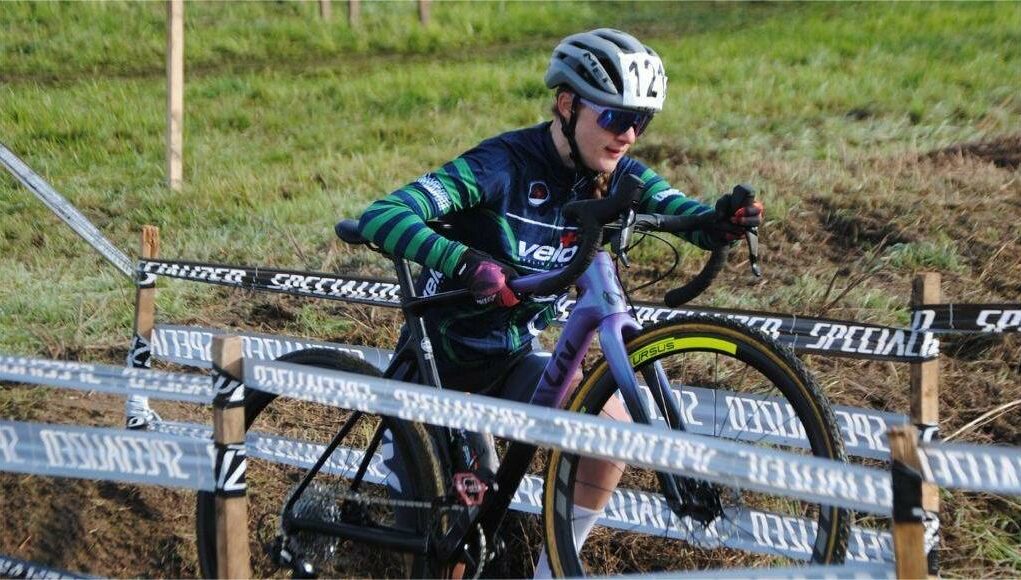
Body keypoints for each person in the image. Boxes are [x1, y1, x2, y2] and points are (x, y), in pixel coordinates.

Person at [357, 28, 763, 577]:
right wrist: (463, 261)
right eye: (616, 119)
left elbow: (675, 209)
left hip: (512, 363)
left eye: (641, 122)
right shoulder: (501, 165)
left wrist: (720, 221)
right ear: (567, 104)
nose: (628, 137)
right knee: (456, 559)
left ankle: (556, 569)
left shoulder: (612, 172)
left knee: (610, 422)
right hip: (439, 377)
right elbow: (381, 216)